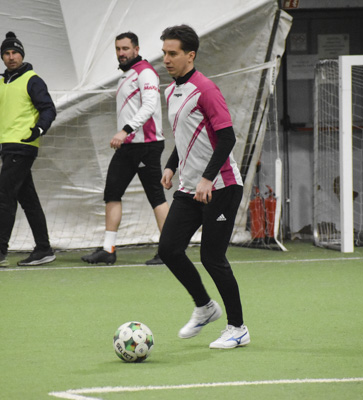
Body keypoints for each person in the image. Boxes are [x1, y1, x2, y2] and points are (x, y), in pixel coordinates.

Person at [158, 25, 250, 349]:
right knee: (168, 250)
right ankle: (205, 306)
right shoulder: (171, 92)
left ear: (190, 55)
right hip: (189, 188)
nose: (166, 59)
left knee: (212, 257)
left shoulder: (206, 89)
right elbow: (183, 136)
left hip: (221, 186)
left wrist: (208, 178)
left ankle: (237, 328)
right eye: (164, 53)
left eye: (173, 53)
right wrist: (171, 165)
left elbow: (227, 137)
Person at [0, 32, 57, 268]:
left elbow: (49, 109)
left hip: (23, 145)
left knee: (4, 194)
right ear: (2, 57)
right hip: (7, 148)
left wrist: (39, 129)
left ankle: (0, 250)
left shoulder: (32, 80)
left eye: (15, 52)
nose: (11, 57)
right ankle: (44, 248)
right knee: (28, 199)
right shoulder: (0, 85)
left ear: (22, 55)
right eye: (6, 53)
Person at [81, 32, 169, 266]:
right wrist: (125, 135)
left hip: (147, 146)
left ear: (136, 49)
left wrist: (125, 130)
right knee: (112, 193)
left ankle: (169, 251)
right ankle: (108, 249)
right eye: (118, 49)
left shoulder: (145, 72)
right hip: (128, 146)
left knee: (156, 196)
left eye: (126, 48)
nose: (121, 53)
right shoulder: (126, 75)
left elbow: (149, 106)